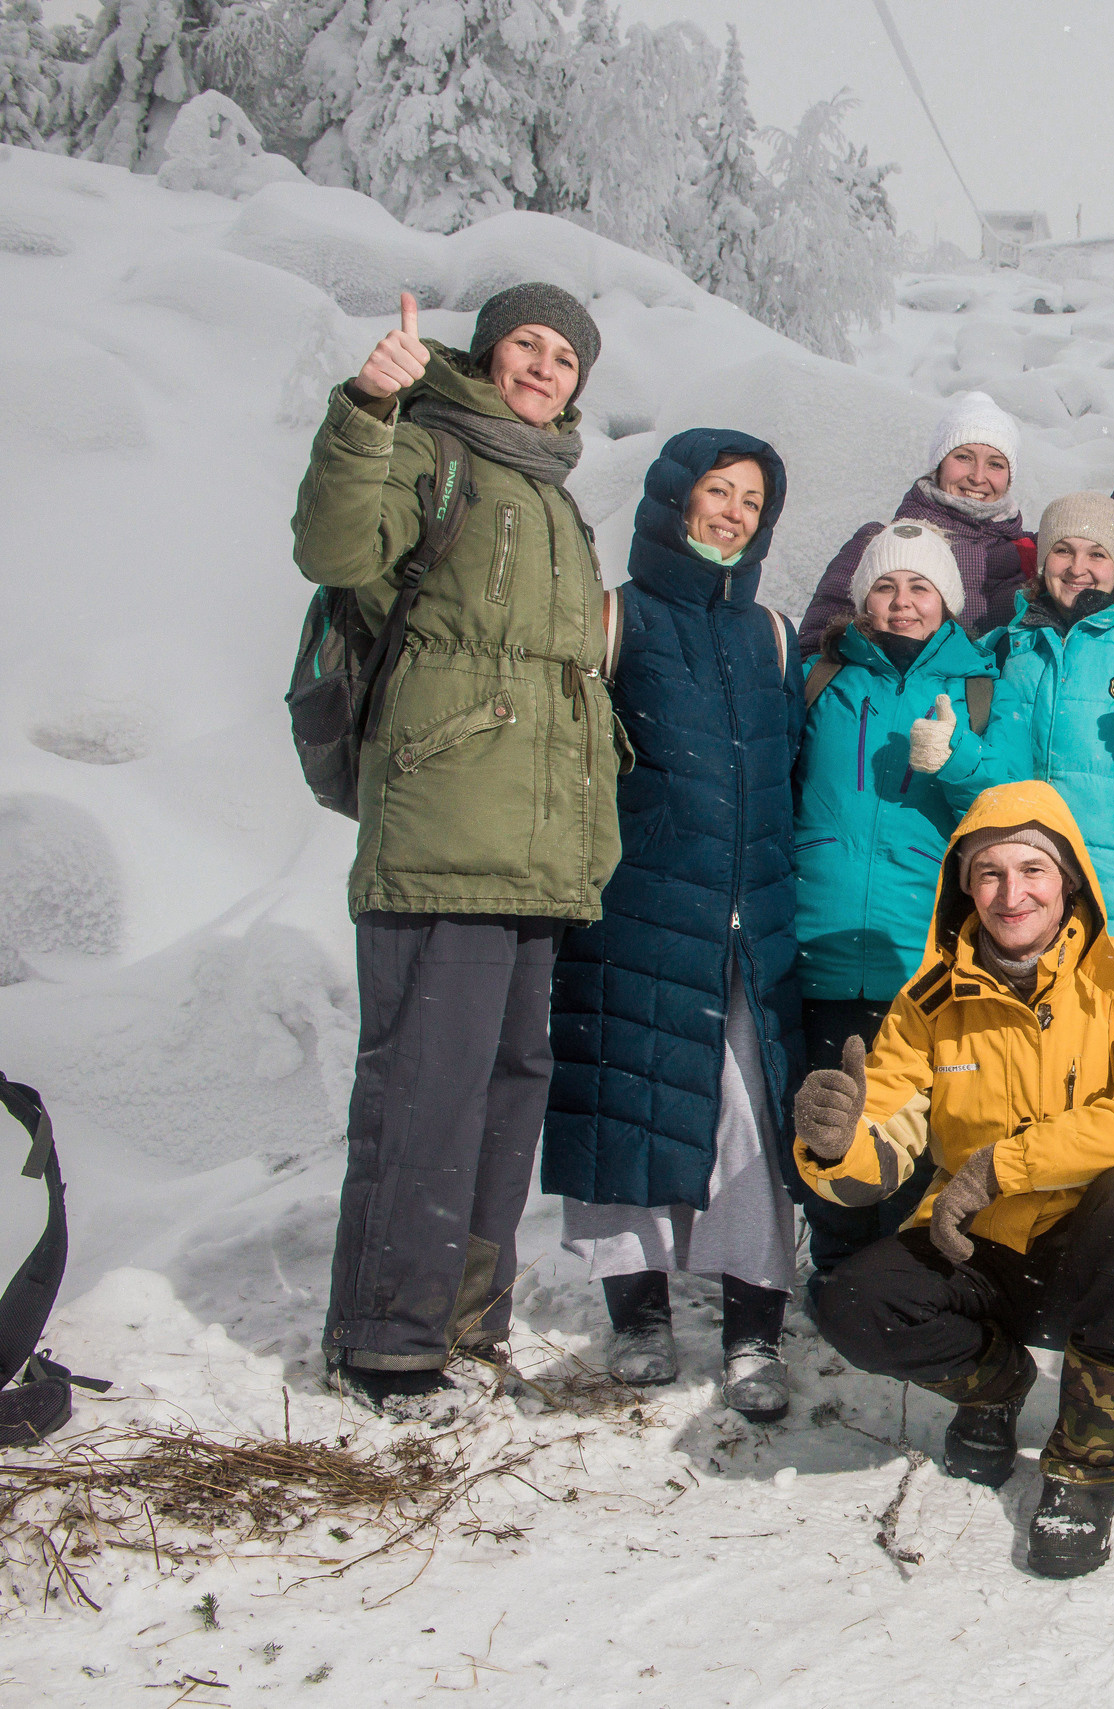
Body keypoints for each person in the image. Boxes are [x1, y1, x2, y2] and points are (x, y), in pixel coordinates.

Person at [295, 282, 616, 1419]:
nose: (543, 367)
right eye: (527, 345)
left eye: (564, 358)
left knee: (504, 1087)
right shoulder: (427, 443)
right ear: (487, 352)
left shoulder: (547, 490)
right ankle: (388, 1336)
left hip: (532, 847)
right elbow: (334, 548)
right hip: (443, 830)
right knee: (428, 1087)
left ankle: (466, 1312)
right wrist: (364, 411)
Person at [791, 782, 1114, 1579]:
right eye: (989, 874)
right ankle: (996, 1384)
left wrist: (999, 1165)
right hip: (975, 1245)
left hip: (1091, 1252)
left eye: (1033, 869)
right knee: (848, 1299)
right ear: (964, 887)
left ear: (1070, 877)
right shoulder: (929, 1003)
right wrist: (833, 1147)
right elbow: (885, 1136)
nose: (1012, 894)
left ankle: (1084, 1470)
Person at [543, 430, 803, 1422]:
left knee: (750, 1122)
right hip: (636, 912)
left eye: (750, 499)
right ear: (670, 500)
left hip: (750, 925)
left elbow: (787, 781)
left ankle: (752, 1327)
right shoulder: (616, 620)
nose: (733, 511)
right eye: (717, 491)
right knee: (629, 1113)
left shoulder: (770, 634)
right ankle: (638, 1312)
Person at [790, 521, 989, 1284]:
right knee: (826, 1108)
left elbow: (1004, 804)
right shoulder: (823, 676)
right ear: (863, 599)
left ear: (948, 599)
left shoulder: (978, 685)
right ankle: (837, 1268)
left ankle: (900, 1273)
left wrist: (959, 758)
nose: (903, 603)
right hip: (825, 938)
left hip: (921, 949)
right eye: (887, 586)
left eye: (920, 587)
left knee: (913, 1116)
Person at [933, 492, 1114, 983]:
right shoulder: (1002, 650)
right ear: (1043, 558)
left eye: (1097, 554)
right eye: (1063, 550)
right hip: (1024, 903)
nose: (1078, 568)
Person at [796, 332, 1114, 643]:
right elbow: (815, 646)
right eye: (963, 456)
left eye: (996, 464)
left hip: (993, 746)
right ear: (938, 462)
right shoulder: (883, 545)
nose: (978, 477)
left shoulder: (1030, 555)